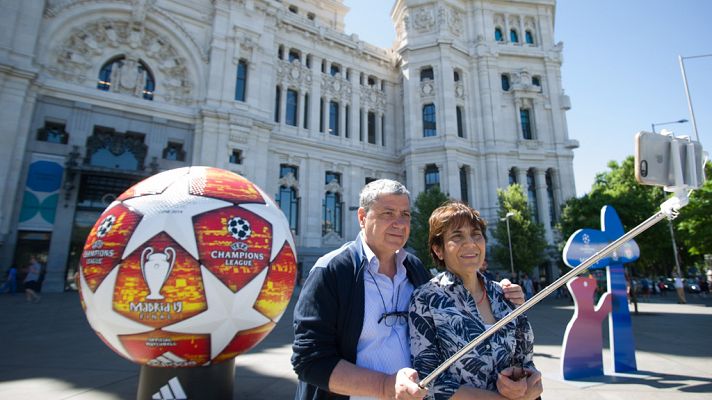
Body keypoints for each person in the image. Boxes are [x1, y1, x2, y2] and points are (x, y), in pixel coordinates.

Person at [291, 180, 525, 400]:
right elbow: (309, 361)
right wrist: (385, 386)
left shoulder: (413, 268)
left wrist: (497, 290)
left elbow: (456, 300)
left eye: (405, 215)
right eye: (388, 213)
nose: (400, 224)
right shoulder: (331, 271)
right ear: (362, 217)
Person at [409, 201, 542, 400]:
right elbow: (429, 381)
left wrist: (529, 385)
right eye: (457, 236)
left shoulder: (505, 295)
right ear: (438, 250)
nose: (470, 243)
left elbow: (526, 362)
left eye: (476, 234)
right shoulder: (426, 298)